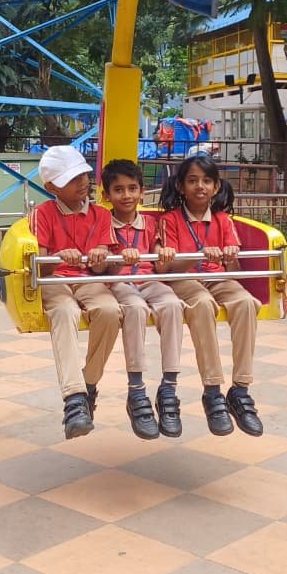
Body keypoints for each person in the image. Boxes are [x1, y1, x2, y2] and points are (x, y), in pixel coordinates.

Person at [159, 155, 264, 437]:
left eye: (206, 181)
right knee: (202, 304)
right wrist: (195, 256)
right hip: (185, 278)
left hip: (218, 277)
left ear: (216, 187)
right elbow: (166, 268)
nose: (200, 186)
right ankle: (213, 390)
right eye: (192, 181)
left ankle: (240, 389)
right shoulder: (170, 220)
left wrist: (229, 258)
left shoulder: (222, 221)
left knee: (245, 303)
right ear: (181, 187)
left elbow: (234, 269)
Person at [32, 145, 122, 440]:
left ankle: (89, 384)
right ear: (51, 187)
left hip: (87, 279)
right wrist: (59, 257)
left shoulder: (101, 215)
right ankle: (73, 398)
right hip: (56, 279)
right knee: (64, 311)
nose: (83, 182)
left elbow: (101, 269)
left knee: (109, 311)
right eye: (72, 179)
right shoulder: (42, 214)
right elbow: (41, 267)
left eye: (83, 174)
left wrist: (98, 257)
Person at [99, 160, 187, 440]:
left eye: (132, 189)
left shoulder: (151, 222)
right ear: (107, 195)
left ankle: (169, 386)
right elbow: (99, 264)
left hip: (149, 279)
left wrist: (164, 253)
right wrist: (116, 257)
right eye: (118, 190)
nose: (126, 195)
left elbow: (159, 256)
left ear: (142, 191)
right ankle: (136, 390)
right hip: (120, 281)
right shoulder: (103, 223)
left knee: (173, 305)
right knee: (135, 309)